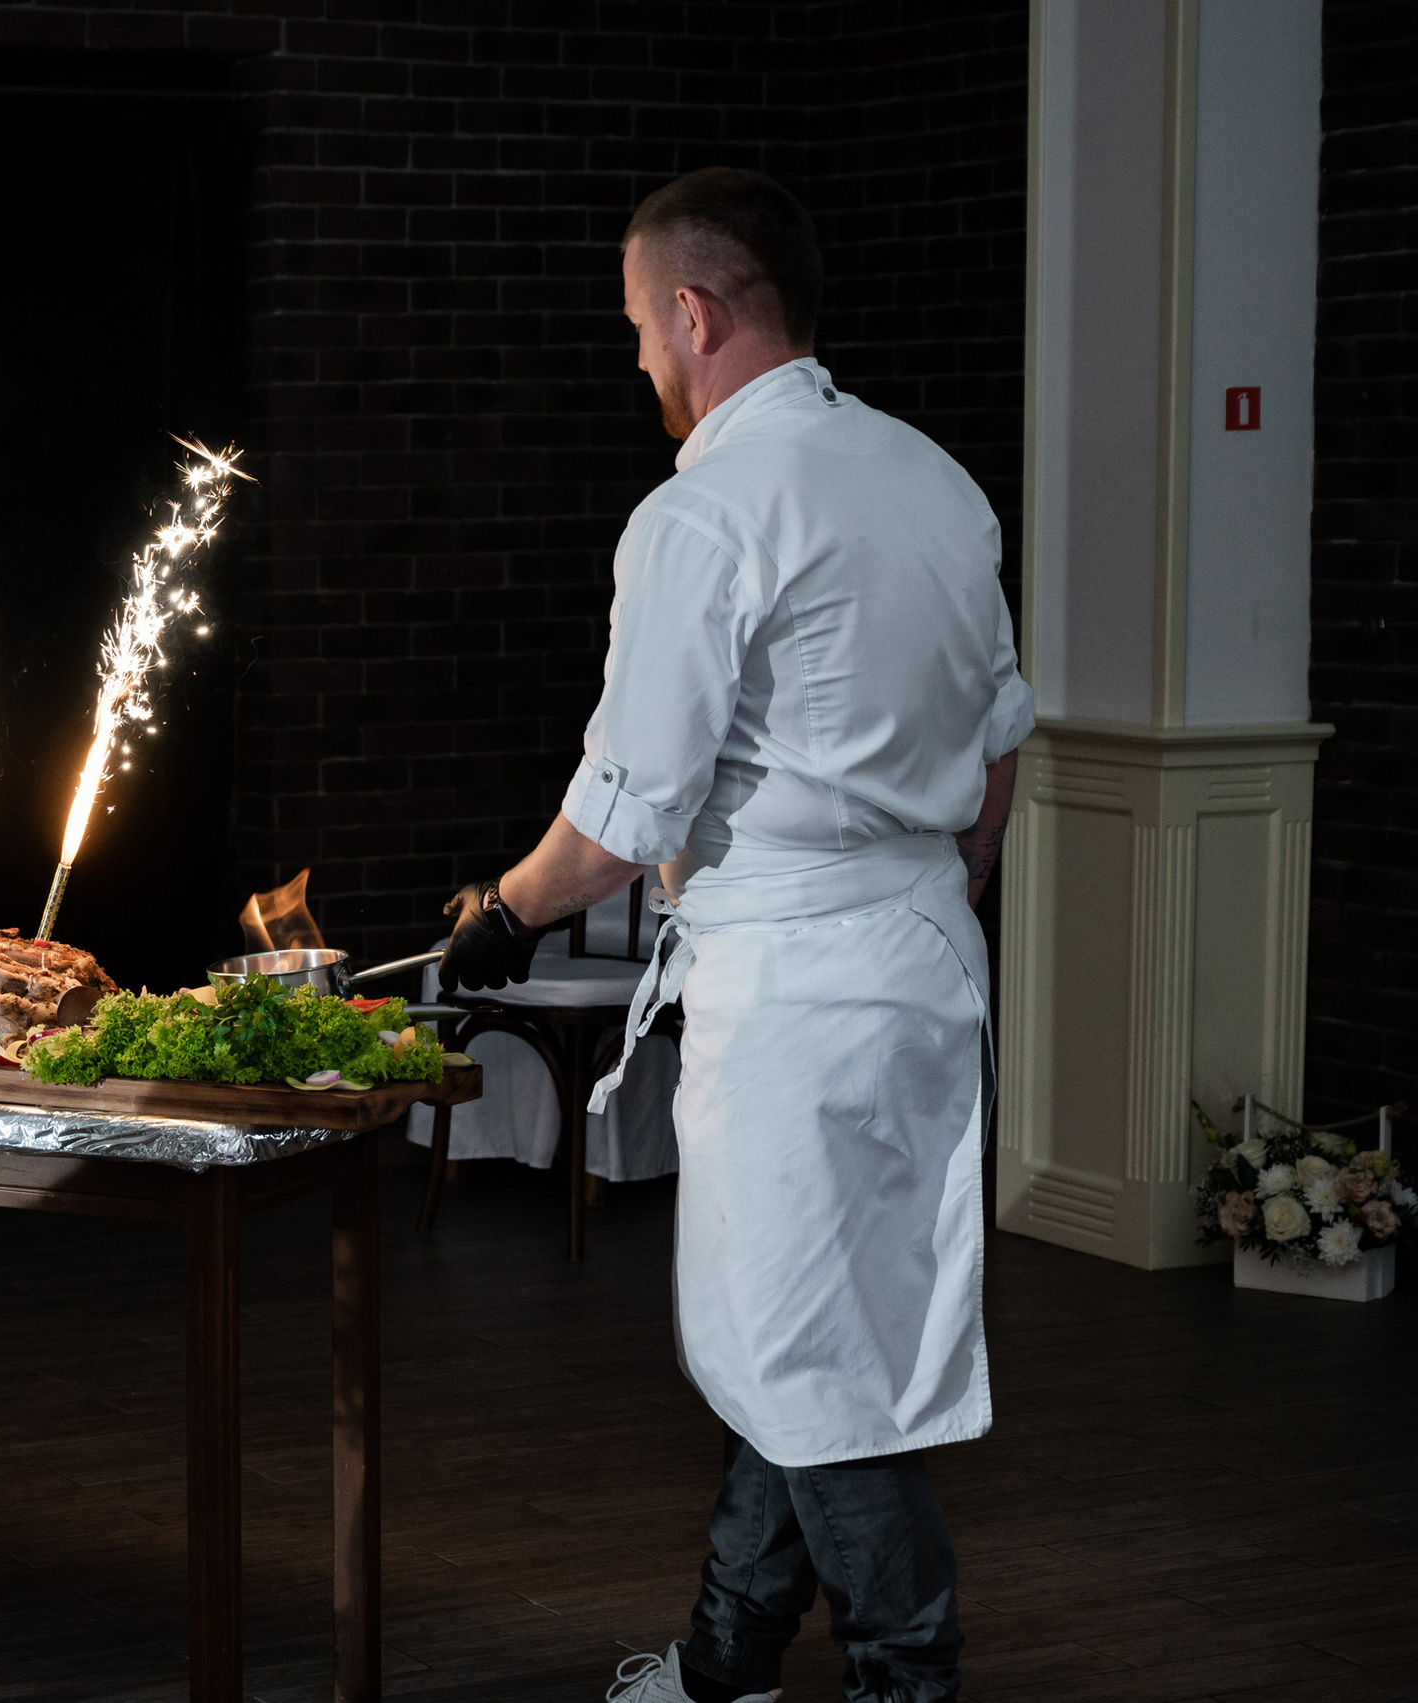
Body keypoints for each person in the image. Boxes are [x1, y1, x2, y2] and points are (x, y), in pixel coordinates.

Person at [437, 169, 1029, 1703]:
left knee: (811, 1363)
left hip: (794, 996)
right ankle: (726, 1662)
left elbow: (624, 812)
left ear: (694, 314)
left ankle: (909, 1678)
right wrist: (925, 898)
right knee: (816, 1328)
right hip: (924, 962)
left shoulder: (702, 511)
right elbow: (999, 747)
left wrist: (504, 909)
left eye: (641, 324)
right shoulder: (934, 477)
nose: (639, 353)